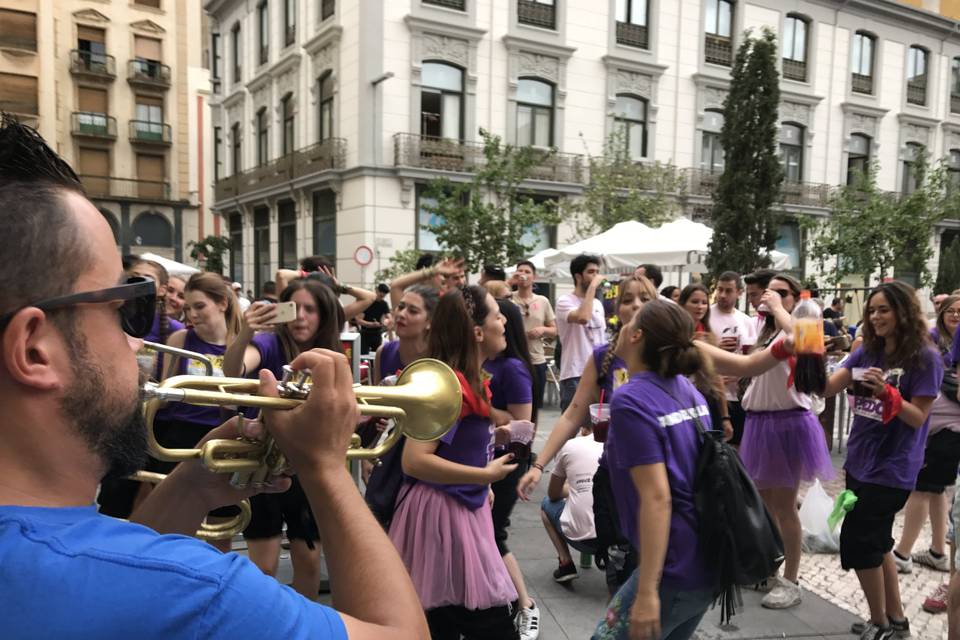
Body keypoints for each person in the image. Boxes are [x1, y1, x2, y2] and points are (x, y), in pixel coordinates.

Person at [0, 115, 429, 639]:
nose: (139, 342)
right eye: (125, 310)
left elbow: (104, 581)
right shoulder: (198, 591)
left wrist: (190, 489)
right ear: (34, 349)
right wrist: (327, 468)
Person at [389, 285, 520, 639]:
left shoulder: (466, 381)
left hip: (461, 508)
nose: (504, 320)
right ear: (477, 332)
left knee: (445, 621)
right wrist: (483, 475)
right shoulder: (450, 387)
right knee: (479, 623)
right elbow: (414, 461)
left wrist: (485, 481)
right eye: (497, 314)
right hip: (442, 513)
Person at [820, 281, 942, 640]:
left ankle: (880, 623)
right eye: (871, 311)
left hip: (893, 468)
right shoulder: (867, 350)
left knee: (860, 545)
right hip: (860, 460)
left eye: (883, 310)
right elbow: (828, 388)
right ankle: (896, 622)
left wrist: (888, 392)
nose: (875, 317)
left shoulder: (925, 358)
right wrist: (805, 355)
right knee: (879, 543)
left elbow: (918, 417)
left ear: (904, 311)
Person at [518, 276, 657, 591]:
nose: (635, 305)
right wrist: (539, 466)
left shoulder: (672, 355)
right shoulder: (603, 357)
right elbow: (571, 415)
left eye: (644, 299)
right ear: (616, 308)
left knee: (655, 585)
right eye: (627, 299)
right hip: (618, 480)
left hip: (663, 483)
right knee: (625, 586)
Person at [591, 301, 716, 640]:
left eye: (629, 320)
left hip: (672, 565)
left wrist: (647, 591)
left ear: (637, 335)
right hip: (706, 557)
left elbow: (657, 498)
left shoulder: (631, 400)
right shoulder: (689, 390)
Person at [223, 279, 345, 598]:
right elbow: (233, 371)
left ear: (325, 315)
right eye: (294, 308)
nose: (300, 317)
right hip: (262, 463)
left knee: (308, 562)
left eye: (310, 309)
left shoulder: (332, 356)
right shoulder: (265, 343)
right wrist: (245, 332)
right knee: (262, 568)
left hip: (307, 466)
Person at [740, 274, 835, 610]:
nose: (771, 298)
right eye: (770, 293)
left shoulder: (805, 325)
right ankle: (770, 568)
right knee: (766, 507)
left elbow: (801, 339)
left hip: (787, 425)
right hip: (760, 424)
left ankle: (791, 581)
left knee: (783, 507)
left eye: (782, 293)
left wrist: (779, 307)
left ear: (796, 298)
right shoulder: (767, 330)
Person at [891, 296, 960, 598]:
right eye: (952, 310)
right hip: (936, 430)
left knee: (920, 490)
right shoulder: (934, 341)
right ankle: (936, 551)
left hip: (948, 431)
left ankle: (903, 554)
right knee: (936, 491)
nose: (956, 315)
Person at [486, 299, 540, 639]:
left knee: (494, 535)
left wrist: (477, 405)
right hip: (484, 459)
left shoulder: (513, 368)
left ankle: (525, 605)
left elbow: (523, 427)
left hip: (506, 462)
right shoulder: (480, 362)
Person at [539, 425, 602, 583]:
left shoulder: (572, 446)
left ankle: (565, 562)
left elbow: (553, 494)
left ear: (583, 429)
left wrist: (576, 488)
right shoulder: (627, 445)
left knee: (547, 505)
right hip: (622, 539)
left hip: (583, 540)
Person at [555, 254, 607, 411]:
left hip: (598, 373)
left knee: (596, 426)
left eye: (597, 272)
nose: (596, 276)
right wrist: (592, 287)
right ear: (578, 276)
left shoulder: (597, 303)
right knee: (571, 425)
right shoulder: (564, 301)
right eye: (591, 272)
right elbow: (583, 317)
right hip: (575, 373)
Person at [709, 271, 756, 447]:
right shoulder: (706, 316)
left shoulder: (746, 321)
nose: (722, 295)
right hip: (714, 394)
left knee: (739, 448)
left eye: (728, 291)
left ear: (739, 293)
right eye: (719, 290)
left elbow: (751, 356)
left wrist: (740, 375)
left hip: (739, 395)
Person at [512, 260, 556, 414]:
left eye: (527, 272)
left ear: (534, 277)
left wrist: (543, 329)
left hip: (537, 359)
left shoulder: (542, 301)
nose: (523, 275)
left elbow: (555, 330)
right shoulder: (508, 299)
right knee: (515, 404)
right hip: (514, 358)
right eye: (520, 271)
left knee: (535, 407)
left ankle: (530, 436)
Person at [389, 257, 464, 309]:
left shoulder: (451, 301)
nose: (443, 279)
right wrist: (434, 271)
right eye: (441, 274)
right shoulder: (412, 297)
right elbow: (395, 286)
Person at [357, 283, 391, 355]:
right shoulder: (367, 302)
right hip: (365, 333)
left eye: (383, 296)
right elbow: (359, 320)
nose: (381, 297)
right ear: (376, 291)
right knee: (363, 356)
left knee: (377, 355)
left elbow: (388, 316)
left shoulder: (384, 304)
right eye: (380, 295)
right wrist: (370, 324)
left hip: (377, 333)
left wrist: (386, 322)